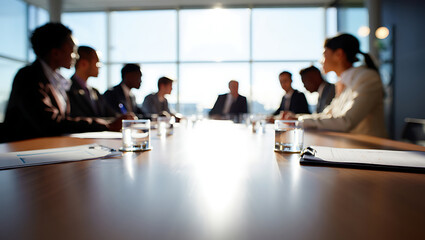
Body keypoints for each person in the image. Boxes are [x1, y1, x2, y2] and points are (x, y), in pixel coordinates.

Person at [3, 23, 126, 142]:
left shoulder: (56, 81)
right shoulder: (28, 77)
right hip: (24, 153)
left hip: (47, 148)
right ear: (55, 53)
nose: (75, 57)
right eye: (72, 51)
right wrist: (105, 125)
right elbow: (49, 123)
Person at [295, 33, 388, 138]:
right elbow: (328, 115)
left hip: (369, 148)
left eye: (324, 54)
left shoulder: (367, 77)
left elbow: (346, 121)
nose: (321, 61)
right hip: (348, 145)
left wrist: (300, 120)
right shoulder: (343, 82)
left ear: (339, 54)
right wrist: (296, 118)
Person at [67, 46, 117, 118]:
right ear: (83, 64)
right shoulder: (68, 88)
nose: (99, 66)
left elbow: (110, 115)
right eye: (97, 62)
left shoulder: (95, 92)